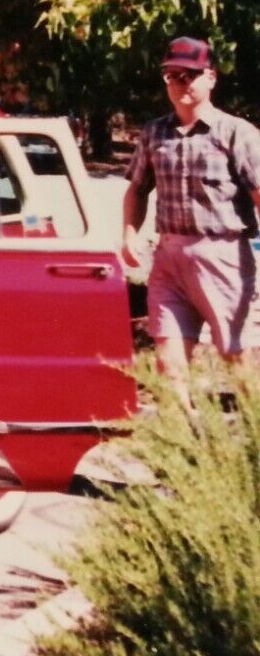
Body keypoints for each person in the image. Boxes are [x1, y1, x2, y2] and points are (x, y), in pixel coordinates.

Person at [122, 36, 260, 402]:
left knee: (235, 351)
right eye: (172, 76)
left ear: (211, 78)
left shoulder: (237, 134)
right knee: (169, 358)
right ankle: (183, 440)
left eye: (190, 75)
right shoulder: (154, 133)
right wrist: (129, 234)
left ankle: (252, 437)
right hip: (169, 256)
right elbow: (137, 188)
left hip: (223, 254)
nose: (181, 83)